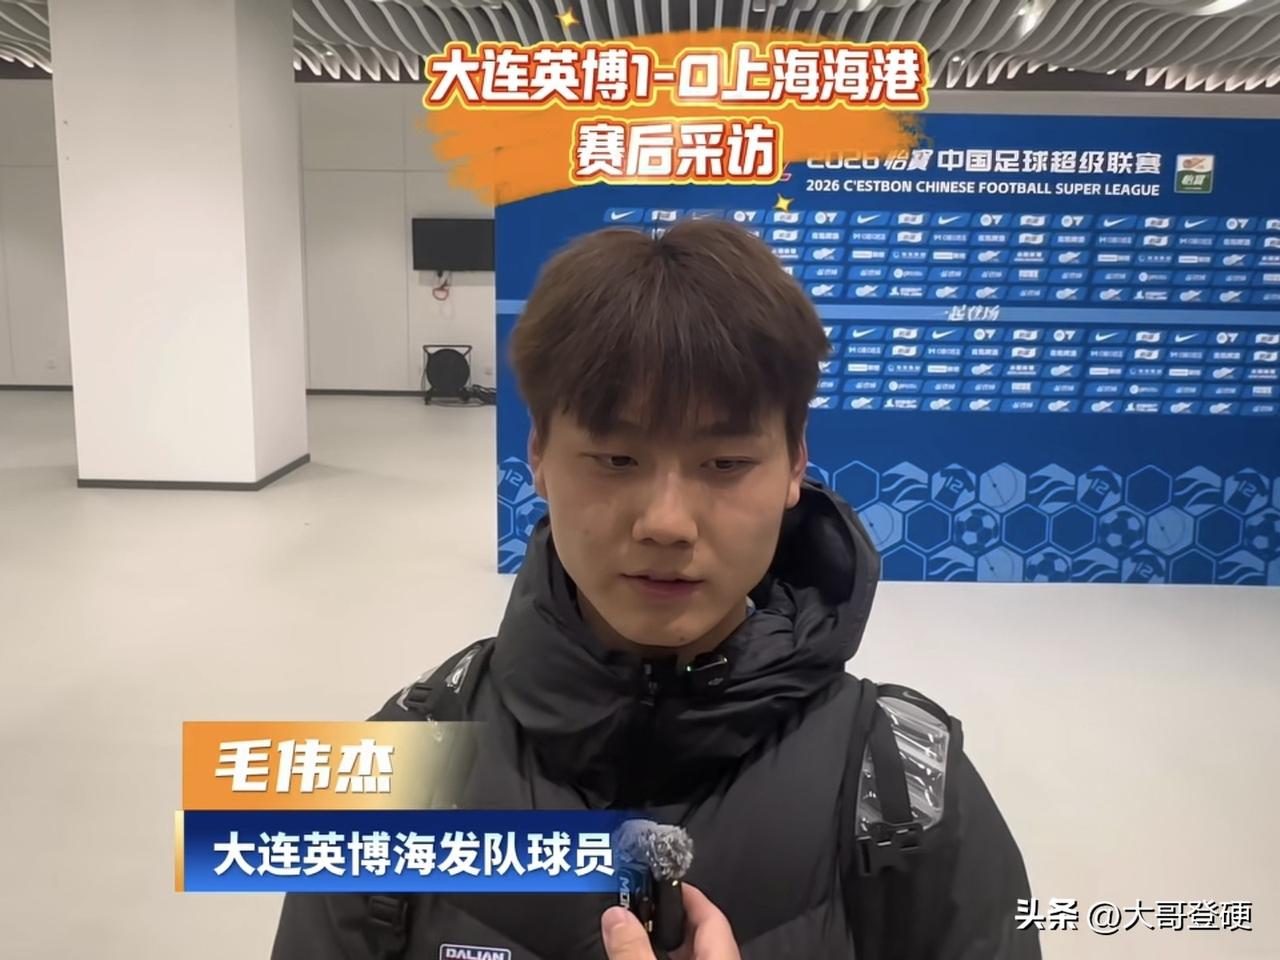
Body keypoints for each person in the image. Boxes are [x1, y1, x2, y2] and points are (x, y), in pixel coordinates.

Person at [271, 220, 1040, 959]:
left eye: (725, 463)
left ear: (795, 466)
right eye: (616, 459)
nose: (667, 523)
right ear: (538, 455)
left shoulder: (905, 790)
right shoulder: (399, 767)